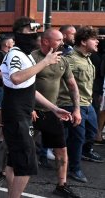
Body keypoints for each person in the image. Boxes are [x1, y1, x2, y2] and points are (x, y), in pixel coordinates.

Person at [0, 17, 71, 198]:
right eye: (29, 31)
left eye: (35, 30)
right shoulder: (16, 54)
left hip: (21, 113)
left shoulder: (26, 55)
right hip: (16, 115)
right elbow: (16, 78)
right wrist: (45, 62)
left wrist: (53, 108)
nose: (33, 34)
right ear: (18, 33)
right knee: (27, 164)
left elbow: (30, 88)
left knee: (15, 162)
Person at [31, 28, 81, 197]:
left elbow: (73, 86)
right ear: (46, 41)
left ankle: (61, 185)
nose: (63, 42)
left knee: (61, 150)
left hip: (52, 112)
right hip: (31, 113)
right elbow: (23, 85)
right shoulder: (32, 58)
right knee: (16, 147)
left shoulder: (63, 61)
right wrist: (29, 107)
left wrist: (76, 109)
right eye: (59, 40)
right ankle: (3, 174)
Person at [58, 26, 104, 184]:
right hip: (72, 103)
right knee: (78, 138)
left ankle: (71, 153)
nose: (97, 41)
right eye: (94, 39)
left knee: (92, 134)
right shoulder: (70, 58)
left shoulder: (87, 57)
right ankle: (74, 169)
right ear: (84, 41)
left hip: (87, 103)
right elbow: (62, 81)